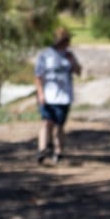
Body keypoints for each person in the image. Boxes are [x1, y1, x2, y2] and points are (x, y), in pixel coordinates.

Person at [33, 27, 83, 165]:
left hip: (64, 97)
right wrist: (40, 94)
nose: (68, 42)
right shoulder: (45, 55)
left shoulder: (68, 56)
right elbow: (38, 76)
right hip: (48, 96)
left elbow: (78, 72)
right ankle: (42, 150)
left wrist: (73, 61)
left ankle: (58, 152)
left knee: (59, 125)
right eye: (65, 39)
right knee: (46, 122)